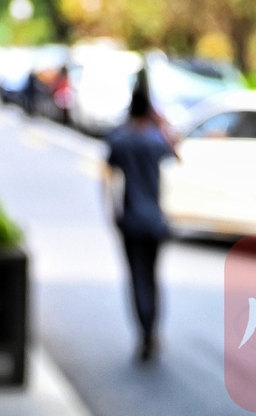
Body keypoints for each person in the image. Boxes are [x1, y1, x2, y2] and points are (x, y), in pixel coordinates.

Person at [104, 72, 177, 362]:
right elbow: (175, 152)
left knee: (137, 278)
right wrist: (162, 122)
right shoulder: (154, 140)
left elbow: (109, 179)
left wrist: (113, 212)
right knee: (153, 276)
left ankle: (144, 331)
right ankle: (152, 330)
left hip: (131, 221)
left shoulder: (120, 140)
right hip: (155, 221)